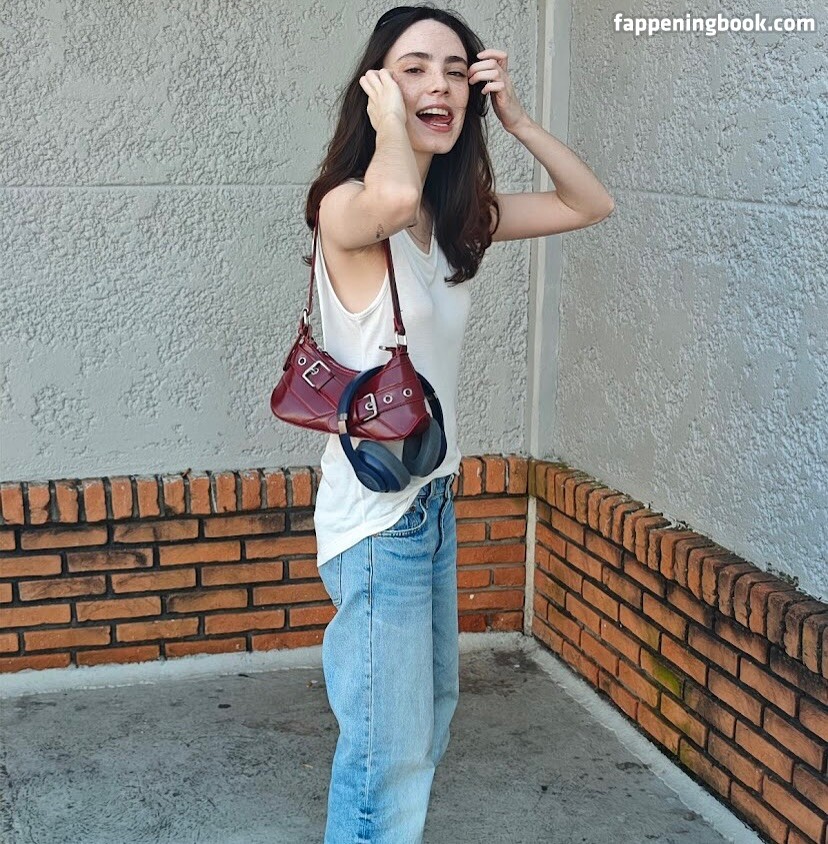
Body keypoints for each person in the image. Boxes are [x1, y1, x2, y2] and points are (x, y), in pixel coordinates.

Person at [307, 5, 614, 842]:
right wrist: (387, 121)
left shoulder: (452, 221)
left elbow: (589, 203)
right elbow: (393, 193)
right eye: (413, 69)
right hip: (378, 519)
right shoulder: (347, 208)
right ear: (376, 86)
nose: (438, 85)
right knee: (388, 754)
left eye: (455, 70)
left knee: (427, 720)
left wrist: (516, 118)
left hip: (432, 503)